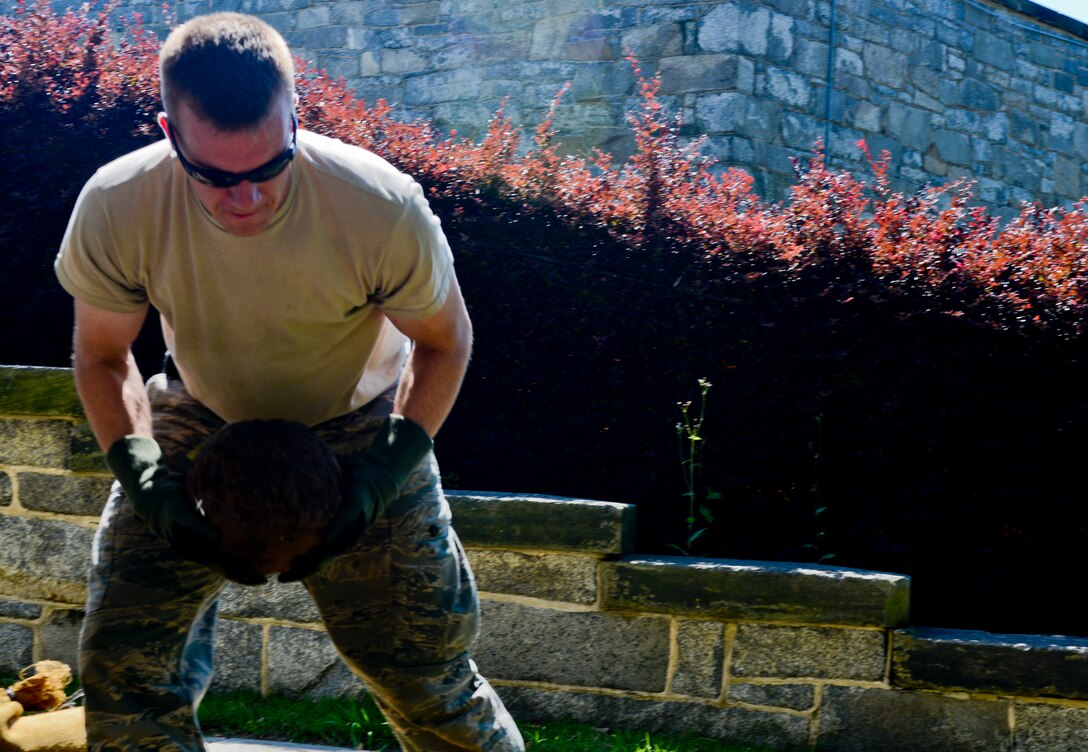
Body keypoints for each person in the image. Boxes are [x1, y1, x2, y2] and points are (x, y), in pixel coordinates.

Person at [54, 12, 524, 752]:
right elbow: (103, 356)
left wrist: (382, 475)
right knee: (123, 668)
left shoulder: (379, 205)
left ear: (296, 118)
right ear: (169, 132)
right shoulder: (119, 203)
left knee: (426, 679)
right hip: (203, 410)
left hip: (361, 419)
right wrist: (144, 478)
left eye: (267, 167)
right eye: (213, 175)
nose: (246, 200)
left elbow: (445, 340)